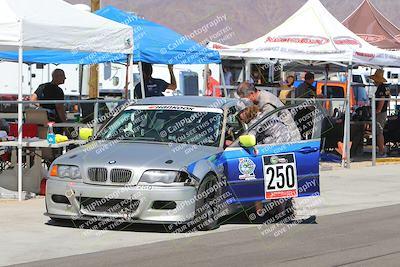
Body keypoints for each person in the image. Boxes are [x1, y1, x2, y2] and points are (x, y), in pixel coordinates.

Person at [370, 69, 390, 157]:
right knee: (379, 132)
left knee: (379, 132)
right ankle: (381, 150)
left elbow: (382, 100)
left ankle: (381, 151)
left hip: (380, 113)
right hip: (383, 112)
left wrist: (378, 110)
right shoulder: (386, 87)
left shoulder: (381, 88)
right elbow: (388, 98)